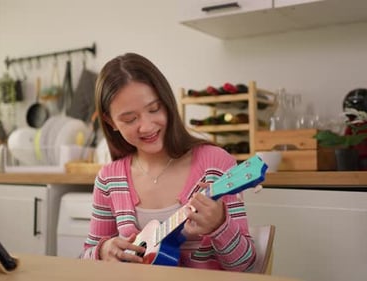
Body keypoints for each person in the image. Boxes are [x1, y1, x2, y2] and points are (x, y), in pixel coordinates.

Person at [81, 52, 257, 271]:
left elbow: (246, 266)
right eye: (130, 119)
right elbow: (85, 258)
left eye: (154, 109)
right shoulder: (109, 179)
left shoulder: (215, 164)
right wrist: (103, 250)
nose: (146, 126)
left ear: (167, 103)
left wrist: (220, 225)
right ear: (110, 122)